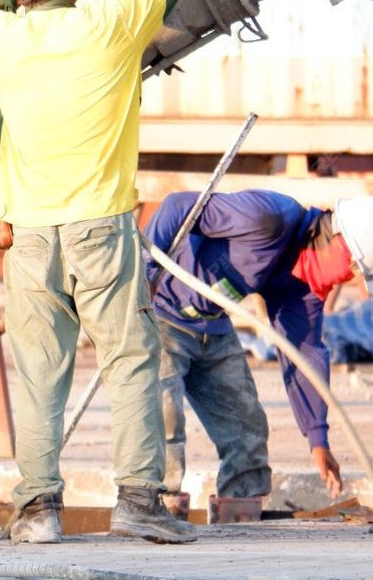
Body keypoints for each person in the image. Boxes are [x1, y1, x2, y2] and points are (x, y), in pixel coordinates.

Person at [0, 0, 195, 544]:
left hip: (29, 234)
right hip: (99, 226)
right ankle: (140, 503)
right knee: (130, 359)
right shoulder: (108, 23)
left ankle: (38, 512)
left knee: (38, 373)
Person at [147, 190, 373, 503]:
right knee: (164, 415)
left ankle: (240, 516)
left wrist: (317, 439)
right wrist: (146, 270)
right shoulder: (268, 218)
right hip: (159, 312)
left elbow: (303, 353)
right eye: (353, 268)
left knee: (248, 430)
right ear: (338, 242)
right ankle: (156, 509)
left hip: (210, 322)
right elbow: (178, 206)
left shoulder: (302, 282)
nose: (348, 279)